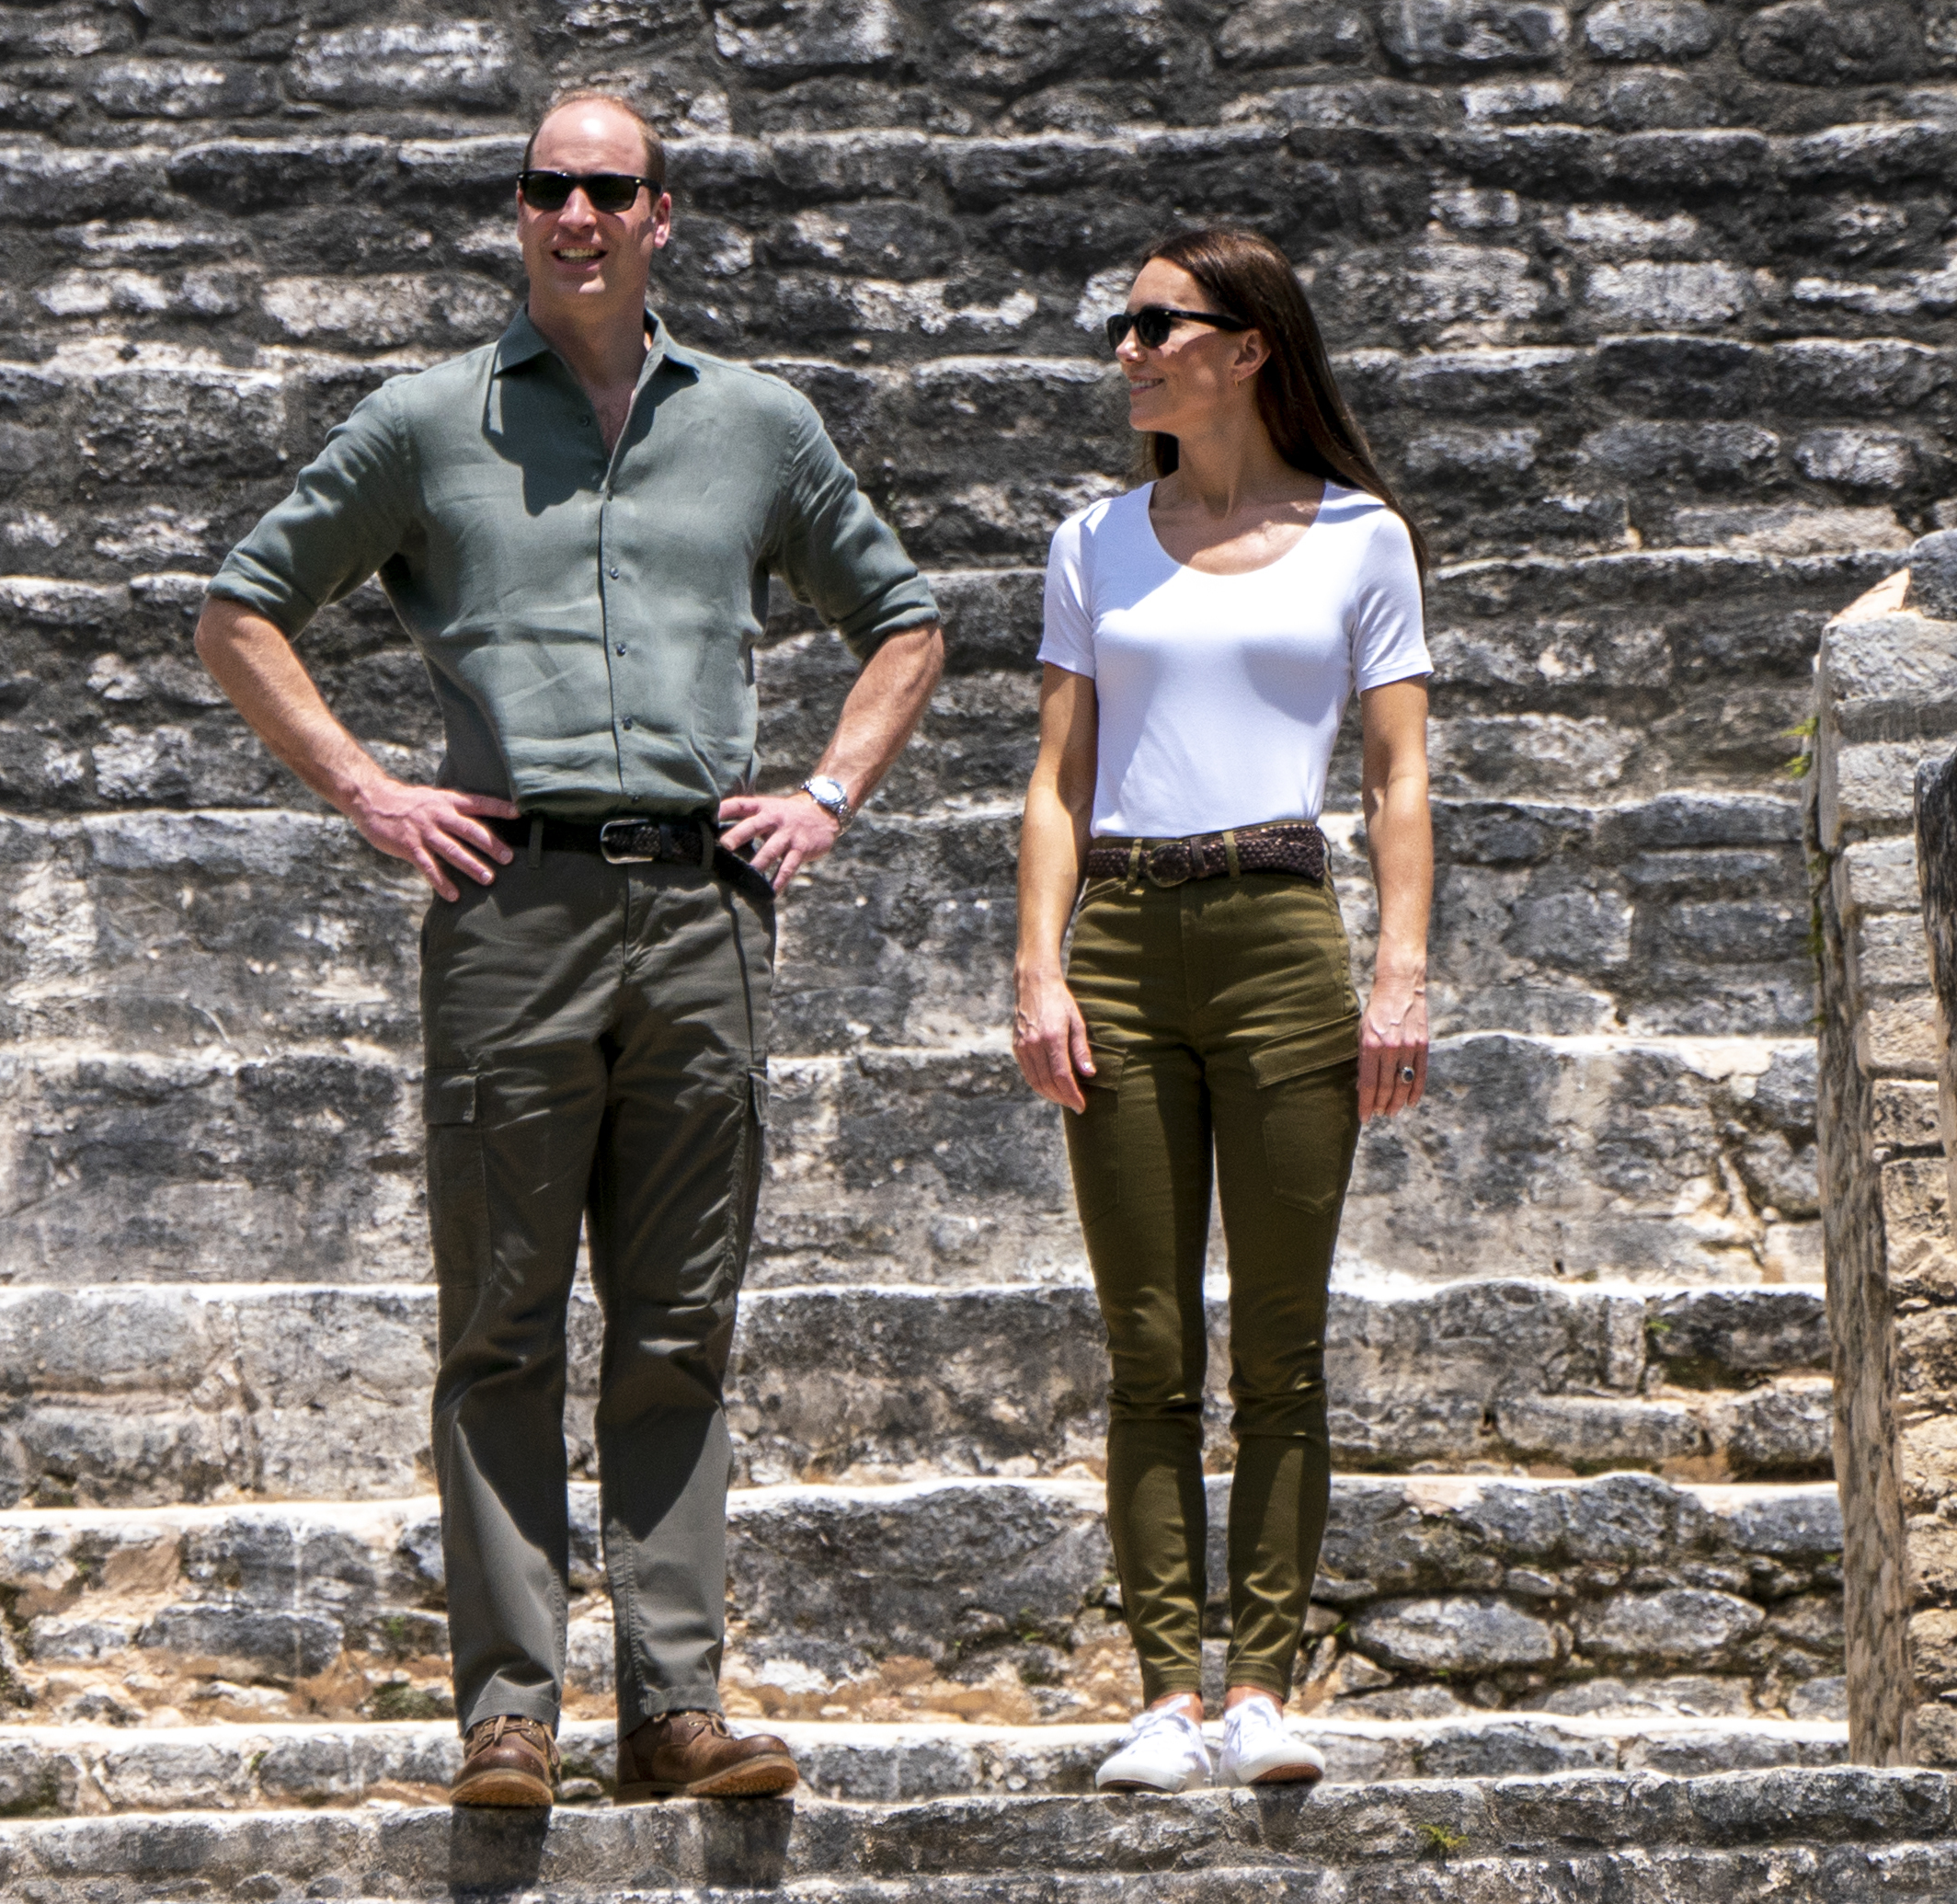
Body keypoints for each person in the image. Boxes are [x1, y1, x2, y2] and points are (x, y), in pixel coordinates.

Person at [194, 89, 945, 1808]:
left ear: (661, 213)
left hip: (701, 911)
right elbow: (243, 607)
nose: (579, 215)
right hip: (508, 905)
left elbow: (904, 615)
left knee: (680, 1322)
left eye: (611, 188)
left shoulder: (757, 423)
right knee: (506, 1321)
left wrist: (826, 790)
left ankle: (675, 1706)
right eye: (550, 189)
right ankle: (509, 1712)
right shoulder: (422, 423)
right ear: (519, 211)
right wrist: (373, 793)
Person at [1009, 226, 1434, 1793]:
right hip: (1119, 930)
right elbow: (1056, 781)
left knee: (1283, 1343)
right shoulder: (1092, 540)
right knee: (1143, 1342)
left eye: (1151, 324)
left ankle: (1261, 1684)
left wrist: (1399, 967)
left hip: (1280, 929)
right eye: (1119, 326)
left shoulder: (1361, 539)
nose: (1124, 352)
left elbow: (1398, 776)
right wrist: (1038, 967)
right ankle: (1162, 1693)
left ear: (1246, 346)